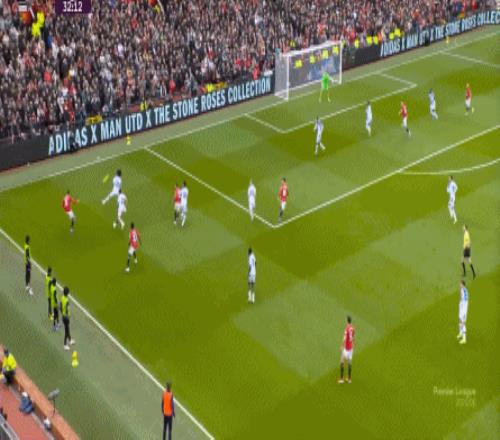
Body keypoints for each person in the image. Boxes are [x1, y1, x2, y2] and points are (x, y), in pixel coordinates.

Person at [338, 315, 355, 384]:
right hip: (351, 348)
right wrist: (353, 344)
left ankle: (341, 379)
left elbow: (344, 338)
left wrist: (341, 346)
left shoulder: (346, 329)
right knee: (349, 362)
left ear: (347, 320)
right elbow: (353, 337)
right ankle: (349, 379)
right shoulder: (353, 328)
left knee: (342, 361)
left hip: (346, 348)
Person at [457, 280, 469, 344]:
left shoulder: (465, 291)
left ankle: (464, 339)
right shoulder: (461, 289)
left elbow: (465, 300)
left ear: (463, 285)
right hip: (461, 308)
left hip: (464, 310)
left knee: (463, 323)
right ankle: (460, 333)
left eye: (460, 284)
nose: (459, 285)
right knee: (459, 320)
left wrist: (462, 305)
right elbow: (461, 298)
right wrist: (460, 304)